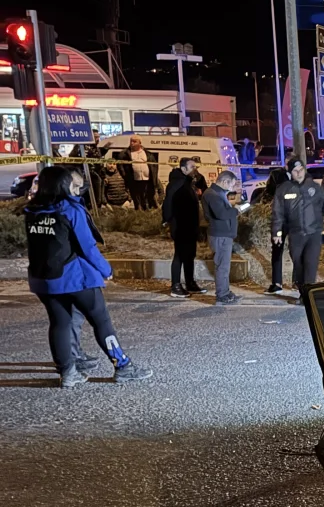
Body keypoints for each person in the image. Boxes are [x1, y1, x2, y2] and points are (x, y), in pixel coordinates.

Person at [24, 165, 152, 387]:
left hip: (43, 279)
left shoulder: (33, 210)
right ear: (63, 185)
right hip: (73, 277)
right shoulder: (69, 209)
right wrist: (106, 269)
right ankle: (123, 367)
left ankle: (68, 374)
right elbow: (88, 246)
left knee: (59, 324)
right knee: (101, 322)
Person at [271, 157, 324, 293]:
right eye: (295, 171)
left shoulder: (314, 188)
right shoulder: (283, 190)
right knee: (299, 264)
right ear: (290, 173)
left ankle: (307, 297)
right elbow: (277, 213)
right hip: (296, 234)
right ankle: (301, 288)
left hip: (314, 233)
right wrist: (276, 232)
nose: (299, 173)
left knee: (310, 265)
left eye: (301, 170)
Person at [161, 157, 204, 299]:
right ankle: (176, 286)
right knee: (179, 255)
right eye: (192, 167)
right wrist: (168, 221)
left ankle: (190, 282)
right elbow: (167, 204)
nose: (195, 169)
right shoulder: (176, 184)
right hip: (180, 226)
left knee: (190, 254)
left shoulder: (188, 183)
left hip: (190, 225)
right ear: (183, 169)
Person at [203, 171, 241, 304]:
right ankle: (222, 295)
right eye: (232, 184)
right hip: (219, 235)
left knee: (224, 266)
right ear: (225, 181)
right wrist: (237, 210)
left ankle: (225, 291)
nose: (233, 187)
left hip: (223, 234)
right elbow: (221, 214)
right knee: (222, 266)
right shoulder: (212, 195)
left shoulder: (218, 193)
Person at [262, 164, 290, 293]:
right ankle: (279, 283)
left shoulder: (278, 176)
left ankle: (290, 282)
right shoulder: (277, 175)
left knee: (289, 252)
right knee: (279, 251)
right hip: (285, 220)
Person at [123, 137, 152, 208]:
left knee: (145, 195)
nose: (132, 143)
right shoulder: (126, 153)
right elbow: (121, 165)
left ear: (140, 143)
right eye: (131, 141)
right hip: (134, 179)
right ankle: (138, 209)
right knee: (136, 196)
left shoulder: (146, 152)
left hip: (146, 179)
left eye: (134, 141)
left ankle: (145, 209)